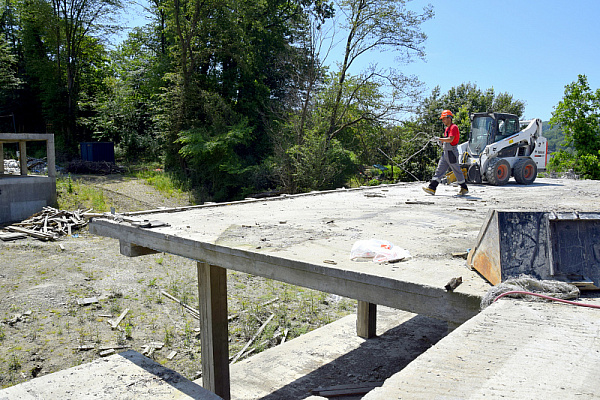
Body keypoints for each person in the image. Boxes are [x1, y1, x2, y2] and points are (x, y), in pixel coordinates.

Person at [423, 109, 469, 196]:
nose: (443, 121)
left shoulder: (453, 127)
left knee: (456, 170)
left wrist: (439, 139)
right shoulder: (447, 128)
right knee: (439, 170)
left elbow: (451, 139)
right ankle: (432, 188)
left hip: (451, 152)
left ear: (449, 118)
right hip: (446, 152)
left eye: (444, 118)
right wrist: (440, 142)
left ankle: (464, 187)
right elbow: (446, 140)